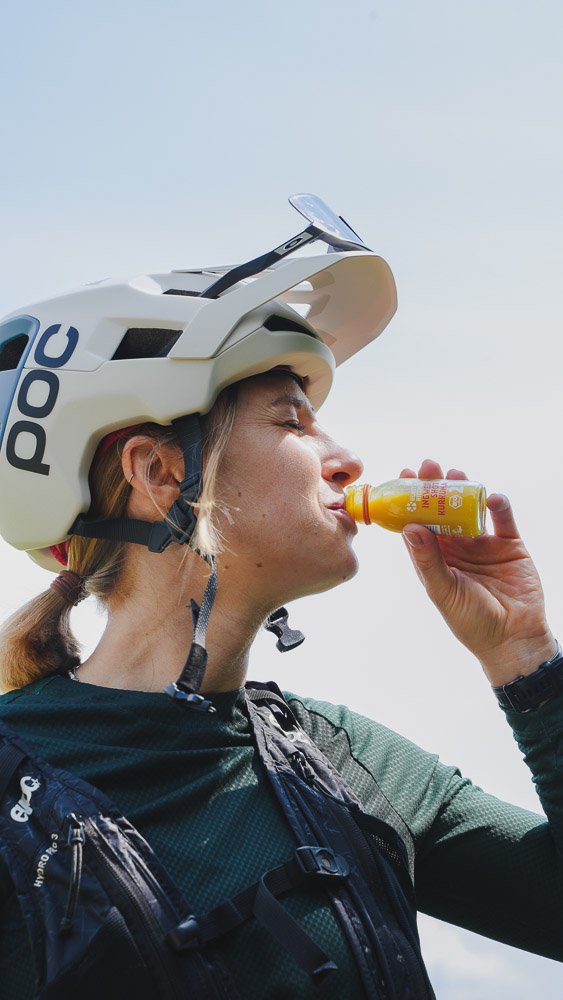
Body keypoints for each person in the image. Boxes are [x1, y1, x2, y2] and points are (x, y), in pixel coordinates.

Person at [0, 196, 561, 998]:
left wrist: (525, 659)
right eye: (292, 421)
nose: (345, 458)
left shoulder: (352, 763)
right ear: (159, 476)